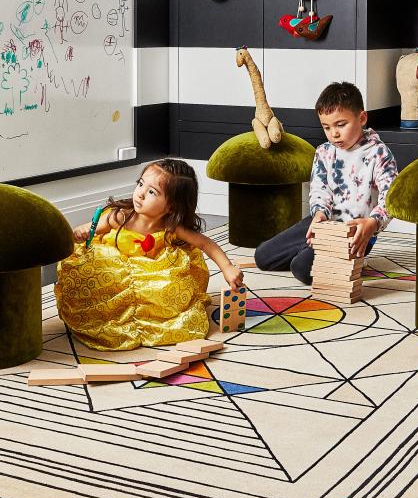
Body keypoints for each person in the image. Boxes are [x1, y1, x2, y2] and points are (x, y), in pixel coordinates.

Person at [56, 158, 244, 349]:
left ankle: (147, 321)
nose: (140, 194)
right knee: (92, 273)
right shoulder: (121, 216)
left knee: (172, 283)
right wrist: (82, 231)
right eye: (140, 184)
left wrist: (227, 267)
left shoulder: (171, 227)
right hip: (115, 270)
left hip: (151, 273)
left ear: (171, 206)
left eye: (152, 192)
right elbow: (91, 228)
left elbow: (206, 244)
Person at [254, 81, 398, 284]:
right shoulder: (324, 152)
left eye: (341, 125)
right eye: (326, 127)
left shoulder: (378, 153)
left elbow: (391, 197)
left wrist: (373, 222)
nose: (334, 134)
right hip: (324, 223)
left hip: (356, 231)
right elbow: (320, 189)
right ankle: (312, 249)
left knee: (302, 269)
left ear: (362, 118)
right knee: (262, 256)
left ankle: (335, 256)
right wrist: (320, 214)